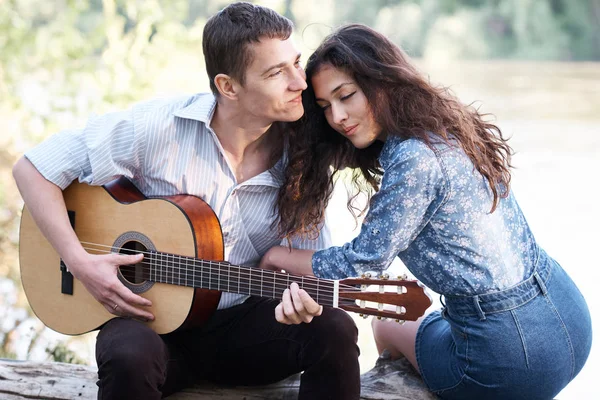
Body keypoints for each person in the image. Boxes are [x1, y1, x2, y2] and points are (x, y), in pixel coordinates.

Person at [12, 3, 360, 400]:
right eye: (276, 72)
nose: (300, 82)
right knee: (129, 354)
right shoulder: (159, 127)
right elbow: (34, 169)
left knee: (335, 327)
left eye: (296, 63)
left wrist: (300, 302)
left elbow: (314, 265)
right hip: (150, 324)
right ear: (228, 87)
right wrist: (81, 263)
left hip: (243, 334)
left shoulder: (305, 158)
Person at [259, 24, 592, 399]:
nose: (337, 117)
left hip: (510, 360)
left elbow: (363, 260)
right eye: (324, 107)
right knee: (421, 317)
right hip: (570, 317)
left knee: (385, 326)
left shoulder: (414, 159)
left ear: (382, 80)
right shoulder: (446, 126)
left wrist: (277, 256)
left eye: (346, 96)